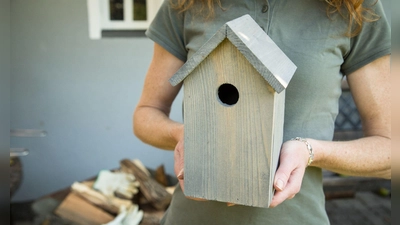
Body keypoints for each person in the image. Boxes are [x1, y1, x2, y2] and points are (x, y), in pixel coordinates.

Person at [133, 0, 391, 224]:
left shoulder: (355, 7)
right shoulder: (188, 4)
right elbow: (146, 114)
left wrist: (310, 151)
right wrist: (184, 135)